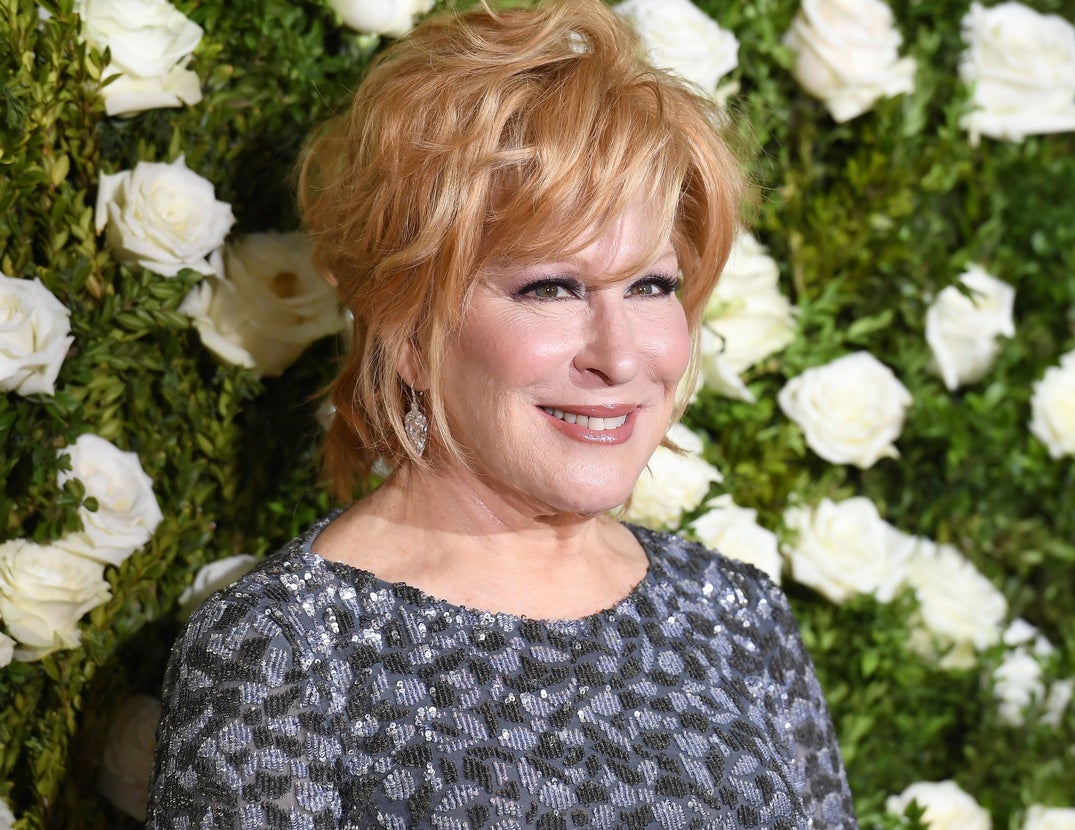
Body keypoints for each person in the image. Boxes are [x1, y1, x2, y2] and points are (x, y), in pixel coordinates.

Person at [146, 0, 858, 827]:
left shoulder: (732, 614)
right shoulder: (287, 658)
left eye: (650, 286)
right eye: (550, 288)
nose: (620, 357)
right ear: (407, 328)